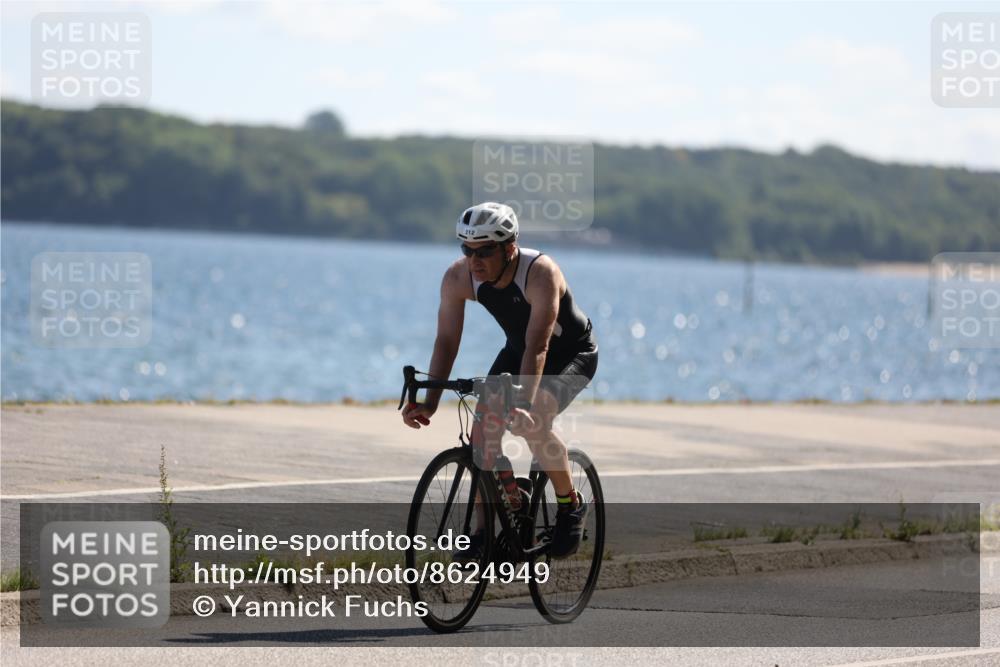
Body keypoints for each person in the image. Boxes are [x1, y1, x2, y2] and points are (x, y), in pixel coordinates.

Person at [401, 202, 598, 559]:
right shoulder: (458, 277)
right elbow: (446, 340)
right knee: (482, 436)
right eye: (467, 250)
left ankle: (570, 505)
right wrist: (429, 402)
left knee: (534, 420)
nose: (474, 261)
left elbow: (539, 346)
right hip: (519, 350)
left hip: (570, 355)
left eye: (485, 251)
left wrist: (523, 404)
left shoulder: (541, 274)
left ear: (510, 247)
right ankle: (485, 532)